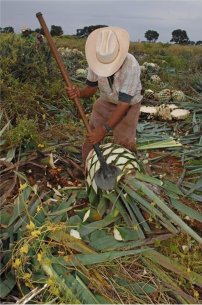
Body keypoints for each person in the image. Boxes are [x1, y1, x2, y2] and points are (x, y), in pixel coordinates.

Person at [66, 27, 143, 164]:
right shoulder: (96, 59)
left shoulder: (131, 65)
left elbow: (123, 105)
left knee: (124, 143)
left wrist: (104, 129)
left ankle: (128, 171)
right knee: (92, 136)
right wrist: (79, 93)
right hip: (106, 100)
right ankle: (87, 166)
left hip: (128, 106)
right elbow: (91, 88)